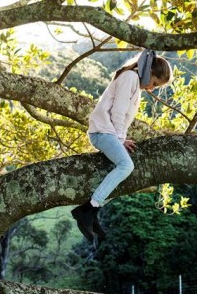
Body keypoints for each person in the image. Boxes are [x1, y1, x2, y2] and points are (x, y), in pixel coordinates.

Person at [71, 49, 172, 240]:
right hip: (102, 132)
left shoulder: (133, 81)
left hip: (108, 132)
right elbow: (117, 112)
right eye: (155, 83)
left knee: (123, 174)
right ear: (149, 72)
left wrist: (121, 140)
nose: (152, 88)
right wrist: (118, 140)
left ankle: (93, 212)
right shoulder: (130, 78)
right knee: (126, 166)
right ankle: (87, 210)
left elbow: (121, 116)